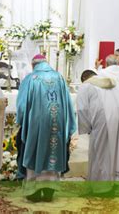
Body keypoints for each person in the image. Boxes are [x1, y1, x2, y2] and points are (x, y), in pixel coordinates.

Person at [16, 54, 76, 202]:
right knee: (53, 152)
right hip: (58, 123)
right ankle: (49, 190)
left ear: (33, 65)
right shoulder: (60, 78)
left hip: (37, 123)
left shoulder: (31, 79)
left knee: (36, 151)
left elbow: (22, 106)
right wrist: (68, 124)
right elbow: (68, 104)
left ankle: (34, 192)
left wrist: (22, 122)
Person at [77, 70, 119, 181]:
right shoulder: (113, 82)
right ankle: (118, 179)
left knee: (99, 152)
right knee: (117, 149)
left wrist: (87, 127)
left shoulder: (86, 85)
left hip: (102, 121)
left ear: (84, 79)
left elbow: (82, 109)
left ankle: (101, 185)